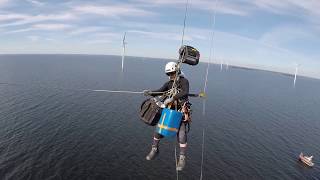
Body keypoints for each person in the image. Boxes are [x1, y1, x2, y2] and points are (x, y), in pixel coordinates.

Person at [143, 61, 191, 171]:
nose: (170, 75)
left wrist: (173, 98)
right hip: (169, 110)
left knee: (181, 134)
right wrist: (150, 92)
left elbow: (185, 92)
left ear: (177, 71)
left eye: (172, 73)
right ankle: (154, 149)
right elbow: (160, 91)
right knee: (159, 130)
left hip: (181, 111)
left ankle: (182, 158)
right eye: (168, 74)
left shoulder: (184, 81)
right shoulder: (169, 83)